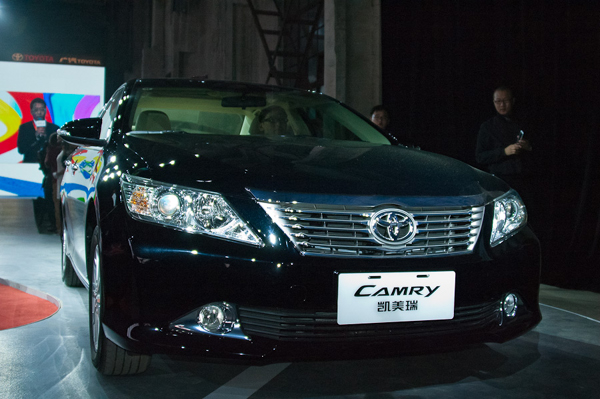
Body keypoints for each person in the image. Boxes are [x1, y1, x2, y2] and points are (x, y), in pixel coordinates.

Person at [476, 86, 533, 199]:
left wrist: (528, 147)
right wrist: (504, 152)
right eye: (498, 101)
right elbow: (480, 157)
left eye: (505, 101)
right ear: (493, 102)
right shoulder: (487, 127)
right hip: (501, 180)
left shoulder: (525, 122)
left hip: (525, 178)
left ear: (513, 101)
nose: (502, 105)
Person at [17, 98, 60, 163]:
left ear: (45, 111)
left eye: (42, 109)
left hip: (49, 164)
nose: (39, 112)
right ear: (31, 111)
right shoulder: (25, 128)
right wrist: (35, 137)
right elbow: (21, 150)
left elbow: (58, 149)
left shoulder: (54, 128)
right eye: (36, 110)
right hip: (30, 163)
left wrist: (46, 137)